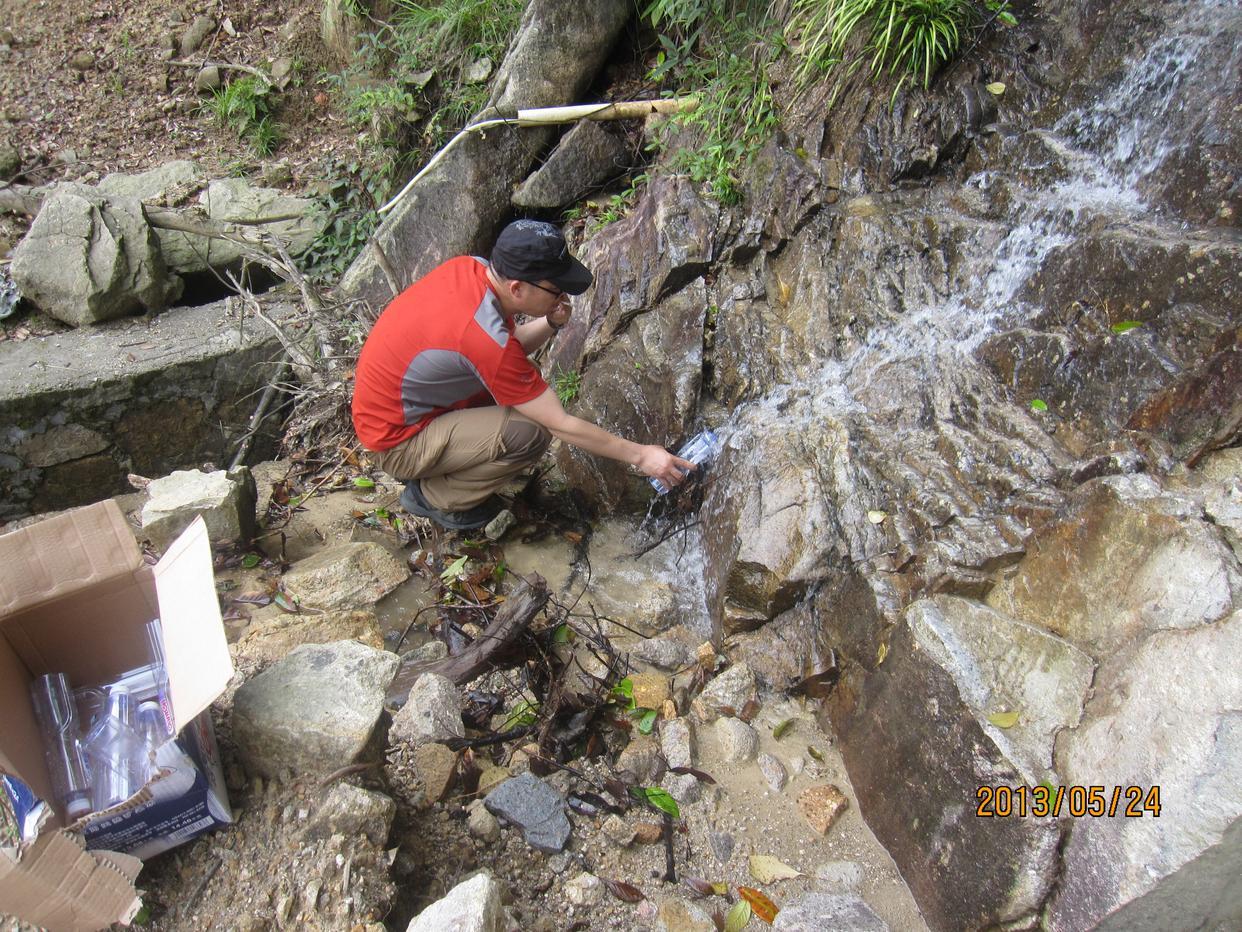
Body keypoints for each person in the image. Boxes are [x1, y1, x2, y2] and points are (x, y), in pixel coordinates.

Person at [351, 219, 695, 529]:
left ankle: (444, 470)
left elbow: (503, 350)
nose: (562, 295)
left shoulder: (472, 271)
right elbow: (557, 422)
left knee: (523, 384)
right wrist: (642, 455)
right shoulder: (480, 334)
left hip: (404, 412)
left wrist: (549, 321)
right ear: (517, 288)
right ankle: (434, 497)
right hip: (397, 441)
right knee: (531, 431)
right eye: (555, 290)